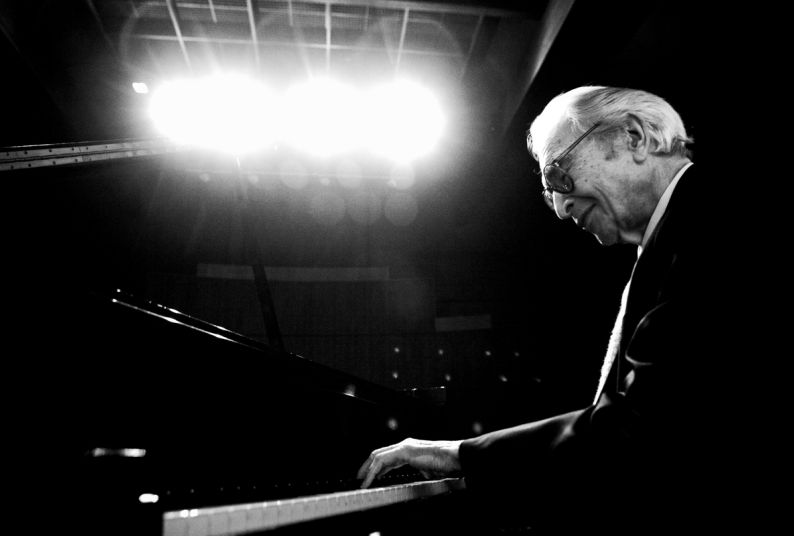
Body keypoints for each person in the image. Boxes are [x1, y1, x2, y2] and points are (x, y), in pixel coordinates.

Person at [357, 86, 758, 533]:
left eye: (559, 174)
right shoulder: (675, 234)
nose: (562, 208)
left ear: (634, 137)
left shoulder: (711, 224)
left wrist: (459, 453)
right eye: (550, 193)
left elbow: (640, 429)